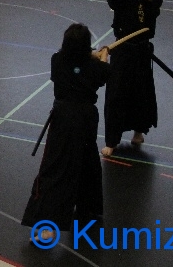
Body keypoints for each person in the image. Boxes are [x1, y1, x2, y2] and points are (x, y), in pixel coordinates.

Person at [22, 24, 111, 240]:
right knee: (83, 161)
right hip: (85, 118)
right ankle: (77, 213)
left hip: (63, 117)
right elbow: (102, 71)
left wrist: (90, 57)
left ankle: (63, 219)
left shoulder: (57, 61)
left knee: (60, 166)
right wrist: (103, 54)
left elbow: (75, 62)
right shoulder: (95, 67)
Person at [101, 0, 163, 156]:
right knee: (116, 95)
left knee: (141, 94)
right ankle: (112, 141)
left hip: (141, 53)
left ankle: (138, 132)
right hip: (122, 52)